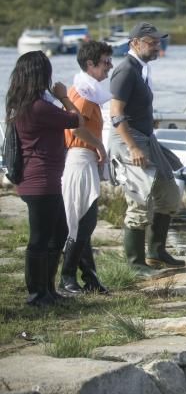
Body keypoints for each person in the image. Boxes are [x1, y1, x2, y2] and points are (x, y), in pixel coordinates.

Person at [6, 51, 92, 305]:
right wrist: (64, 96)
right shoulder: (39, 107)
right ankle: (37, 294)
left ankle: (47, 290)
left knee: (57, 233)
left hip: (41, 180)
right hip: (40, 181)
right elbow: (76, 119)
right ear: (40, 75)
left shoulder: (23, 104)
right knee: (40, 239)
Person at [108, 22, 184, 277]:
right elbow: (115, 114)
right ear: (134, 43)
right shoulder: (125, 71)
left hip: (146, 138)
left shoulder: (142, 69)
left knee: (170, 192)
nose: (157, 47)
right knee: (139, 200)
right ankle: (135, 263)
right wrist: (132, 147)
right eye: (151, 43)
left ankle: (156, 251)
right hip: (130, 140)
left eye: (158, 42)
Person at [60, 41, 113, 294]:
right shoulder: (82, 93)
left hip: (84, 159)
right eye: (105, 62)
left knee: (85, 221)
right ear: (90, 64)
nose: (110, 67)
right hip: (80, 158)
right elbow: (74, 126)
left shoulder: (87, 90)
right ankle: (67, 276)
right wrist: (99, 146)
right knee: (83, 221)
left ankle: (89, 277)